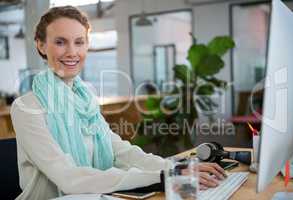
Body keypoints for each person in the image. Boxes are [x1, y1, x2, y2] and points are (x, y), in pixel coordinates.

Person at [10, 6, 226, 200]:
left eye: (79, 42)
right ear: (40, 45)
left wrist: (176, 167)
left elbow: (121, 151)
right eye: (60, 42)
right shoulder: (27, 108)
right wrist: (162, 176)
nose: (72, 52)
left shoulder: (85, 101)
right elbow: (69, 178)